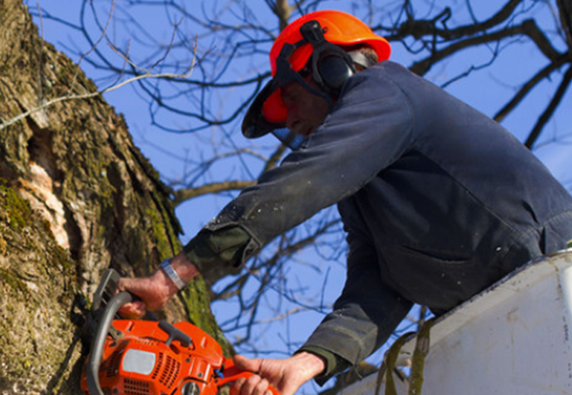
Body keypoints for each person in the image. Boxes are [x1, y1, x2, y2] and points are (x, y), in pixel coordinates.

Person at [117, 10, 572, 395]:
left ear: (331, 67)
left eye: (291, 97)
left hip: (554, 272)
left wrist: (171, 275)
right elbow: (378, 289)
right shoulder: (364, 190)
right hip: (513, 317)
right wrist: (306, 362)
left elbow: (301, 183)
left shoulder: (386, 91)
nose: (292, 121)